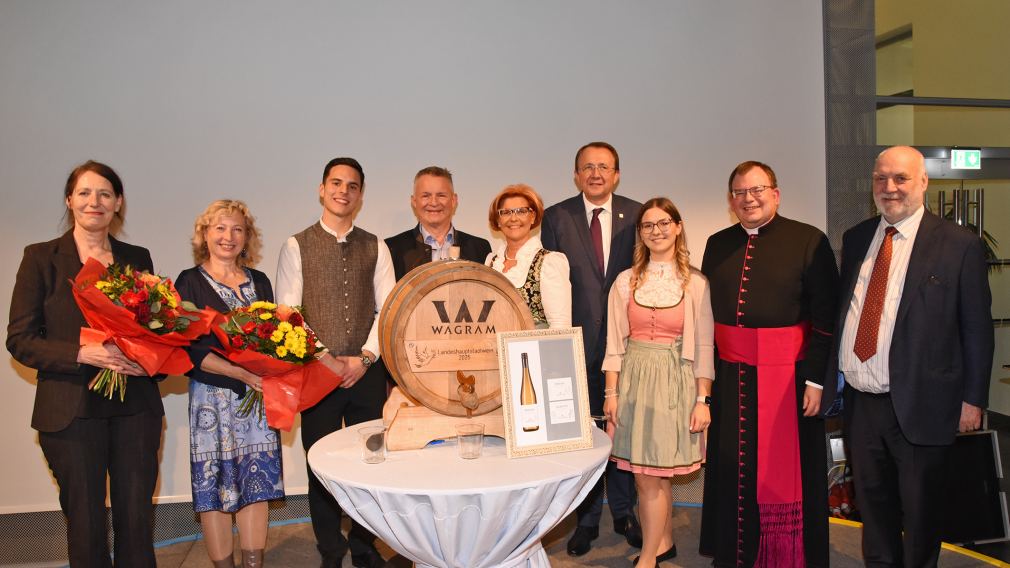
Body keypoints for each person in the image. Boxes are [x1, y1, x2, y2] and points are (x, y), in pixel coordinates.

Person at [833, 146, 993, 566]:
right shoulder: (856, 238)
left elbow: (976, 328)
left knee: (921, 513)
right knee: (874, 506)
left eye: (901, 178)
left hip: (925, 402)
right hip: (862, 403)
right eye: (880, 178)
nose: (889, 188)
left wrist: (972, 399)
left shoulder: (959, 246)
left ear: (923, 182)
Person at [7, 160, 162, 567]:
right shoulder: (41, 258)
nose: (95, 201)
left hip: (135, 407)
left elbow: (158, 331)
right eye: (85, 193)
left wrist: (146, 362)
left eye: (105, 194)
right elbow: (20, 339)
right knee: (86, 523)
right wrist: (81, 353)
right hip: (70, 411)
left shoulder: (136, 257)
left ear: (118, 203)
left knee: (136, 519)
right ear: (70, 200)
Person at [699, 161, 838, 567]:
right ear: (731, 201)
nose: (749, 199)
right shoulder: (717, 243)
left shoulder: (809, 240)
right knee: (731, 466)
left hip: (790, 379)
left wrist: (815, 380)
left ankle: (787, 553)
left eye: (757, 190)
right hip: (731, 377)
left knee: (790, 470)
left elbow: (826, 321)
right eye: (740, 193)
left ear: (775, 194)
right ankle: (735, 552)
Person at [276, 157, 395, 568]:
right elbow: (288, 314)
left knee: (371, 462)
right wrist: (327, 360)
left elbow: (389, 309)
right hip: (317, 375)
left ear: (360, 195)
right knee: (321, 466)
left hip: (366, 372)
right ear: (322, 189)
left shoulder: (375, 245)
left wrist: (364, 358)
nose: (343, 191)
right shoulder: (296, 245)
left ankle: (364, 546)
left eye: (352, 185)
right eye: (336, 183)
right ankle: (330, 549)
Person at [541, 141, 643, 555]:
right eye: (587, 167)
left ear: (617, 174)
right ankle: (584, 520)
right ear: (576, 175)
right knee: (581, 434)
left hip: (627, 345)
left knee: (621, 431)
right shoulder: (556, 216)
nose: (596, 174)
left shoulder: (638, 215)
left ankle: (623, 512)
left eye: (604, 167)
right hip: (574, 347)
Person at [175, 200, 289, 568]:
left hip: (256, 404)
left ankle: (254, 563)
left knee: (257, 485)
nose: (229, 237)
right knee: (215, 486)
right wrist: (241, 373)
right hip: (212, 403)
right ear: (205, 234)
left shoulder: (260, 282)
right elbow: (190, 351)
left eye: (237, 229)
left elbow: (277, 338)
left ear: (247, 237)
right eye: (220, 228)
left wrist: (271, 368)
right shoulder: (188, 281)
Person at [603, 198, 714, 567]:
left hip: (674, 384)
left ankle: (648, 556)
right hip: (634, 380)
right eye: (648, 225)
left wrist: (703, 400)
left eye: (664, 222)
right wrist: (611, 392)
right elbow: (615, 343)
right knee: (648, 473)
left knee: (653, 474)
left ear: (678, 226)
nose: (657, 230)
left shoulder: (695, 283)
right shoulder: (625, 281)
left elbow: (703, 345)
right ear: (641, 233)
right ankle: (662, 542)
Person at [486, 183, 571, 328]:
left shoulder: (549, 262)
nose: (513, 218)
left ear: (533, 217)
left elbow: (560, 326)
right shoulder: (491, 261)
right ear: (498, 220)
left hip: (534, 349)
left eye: (521, 211)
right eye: (506, 212)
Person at [385, 166, 492, 280]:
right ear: (414, 201)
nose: (434, 202)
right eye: (426, 196)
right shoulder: (392, 249)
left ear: (453, 200)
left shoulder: (480, 248)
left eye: (441, 195)